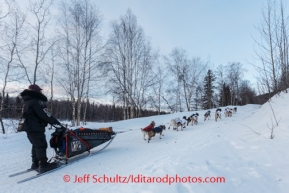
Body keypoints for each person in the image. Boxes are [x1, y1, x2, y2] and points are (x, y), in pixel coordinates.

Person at [20, 84, 65, 173]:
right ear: (35, 91)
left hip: (29, 127)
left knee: (36, 145)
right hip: (35, 127)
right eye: (39, 91)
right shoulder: (36, 101)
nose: (40, 92)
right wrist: (58, 124)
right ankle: (43, 165)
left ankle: (35, 164)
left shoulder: (27, 101)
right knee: (41, 145)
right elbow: (46, 115)